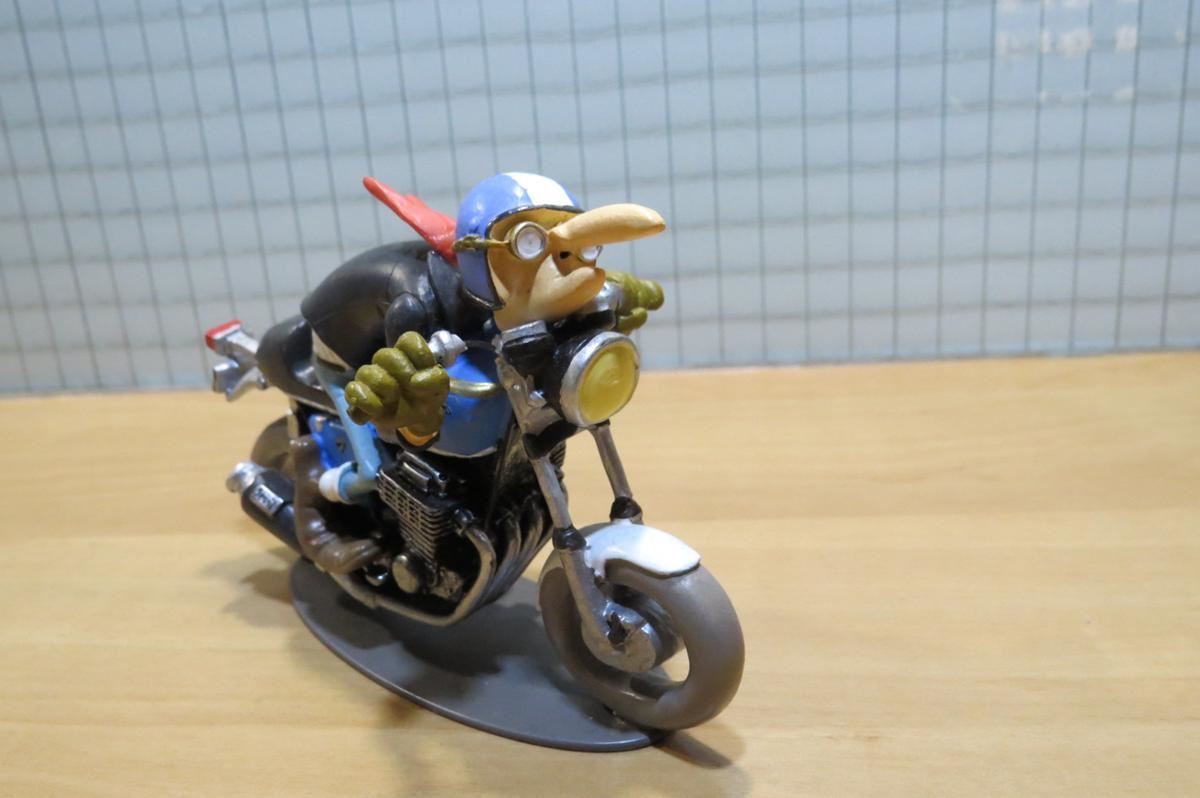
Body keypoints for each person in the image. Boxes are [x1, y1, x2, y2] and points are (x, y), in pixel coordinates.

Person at [292, 172, 666, 574]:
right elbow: (402, 394)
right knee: (374, 468)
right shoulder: (416, 307)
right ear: (481, 253)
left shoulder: (493, 290)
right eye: (530, 244)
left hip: (404, 317)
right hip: (338, 347)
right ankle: (314, 507)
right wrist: (416, 417)